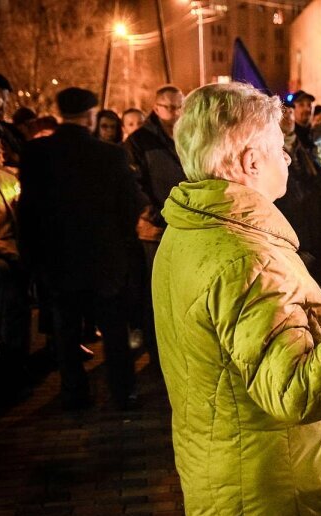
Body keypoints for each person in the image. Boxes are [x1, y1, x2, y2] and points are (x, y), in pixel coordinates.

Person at [153, 82, 321, 516]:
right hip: (277, 490)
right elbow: (295, 390)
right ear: (251, 161)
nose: (285, 158)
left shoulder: (191, 229)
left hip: (230, 471)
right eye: (279, 148)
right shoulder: (246, 259)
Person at [18, 87, 142, 410]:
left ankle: (74, 392)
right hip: (105, 258)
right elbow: (132, 205)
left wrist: (33, 258)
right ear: (91, 116)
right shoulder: (110, 155)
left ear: (60, 114)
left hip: (59, 260)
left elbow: (27, 211)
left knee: (66, 330)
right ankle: (122, 390)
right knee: (115, 331)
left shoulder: (36, 154)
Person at [125, 85, 185, 365]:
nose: (174, 112)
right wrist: (156, 213)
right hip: (157, 230)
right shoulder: (140, 141)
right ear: (156, 107)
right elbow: (135, 184)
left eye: (179, 106)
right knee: (158, 293)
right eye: (169, 107)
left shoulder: (188, 136)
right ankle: (156, 351)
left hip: (186, 224)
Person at [275, 105, 321, 292]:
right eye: (283, 114)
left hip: (311, 237)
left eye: (290, 114)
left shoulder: (306, 153)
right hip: (286, 237)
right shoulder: (270, 154)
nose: (288, 118)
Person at [0, 138, 31, 403]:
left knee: (16, 318)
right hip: (3, 259)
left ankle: (16, 371)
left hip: (15, 257)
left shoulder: (10, 178)